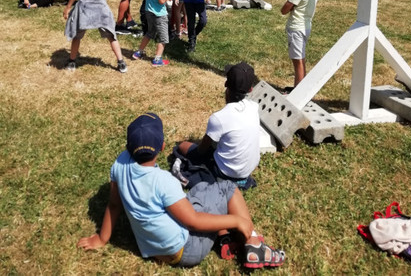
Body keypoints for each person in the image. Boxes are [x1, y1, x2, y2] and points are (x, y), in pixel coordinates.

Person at [76, 112, 285, 269]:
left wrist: (101, 239)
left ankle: (224, 238)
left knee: (203, 188)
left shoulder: (119, 165)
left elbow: (113, 205)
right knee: (227, 188)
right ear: (162, 146)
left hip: (155, 250)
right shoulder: (163, 181)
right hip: (187, 250)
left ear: (128, 147)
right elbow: (193, 221)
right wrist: (238, 221)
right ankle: (253, 243)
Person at [177, 62, 260, 190]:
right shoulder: (254, 107)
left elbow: (201, 150)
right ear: (250, 89)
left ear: (226, 84)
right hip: (246, 172)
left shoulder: (219, 118)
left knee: (182, 147)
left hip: (226, 171)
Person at [280, 0, 319, 89]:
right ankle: (300, 86)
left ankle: (298, 92)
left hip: (296, 28)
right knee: (301, 58)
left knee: (297, 62)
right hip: (306, 26)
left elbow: (284, 10)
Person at [131, 0, 172, 67]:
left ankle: (139, 52)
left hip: (149, 12)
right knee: (163, 38)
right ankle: (157, 59)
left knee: (150, 33)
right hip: (159, 14)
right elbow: (161, 0)